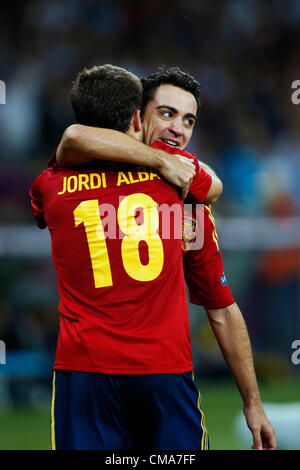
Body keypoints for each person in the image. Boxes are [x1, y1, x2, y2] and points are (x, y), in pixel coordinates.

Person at [56, 66, 276, 450]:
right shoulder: (187, 191)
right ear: (136, 116)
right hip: (159, 380)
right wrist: (167, 164)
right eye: (167, 114)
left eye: (188, 119)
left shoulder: (62, 177)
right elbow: (214, 186)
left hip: (90, 376)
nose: (178, 129)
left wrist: (253, 402)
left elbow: (220, 306)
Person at [30, 64, 221, 451]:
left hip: (83, 368)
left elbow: (73, 138)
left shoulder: (50, 185)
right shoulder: (173, 178)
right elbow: (213, 186)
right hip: (161, 368)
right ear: (138, 116)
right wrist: (162, 158)